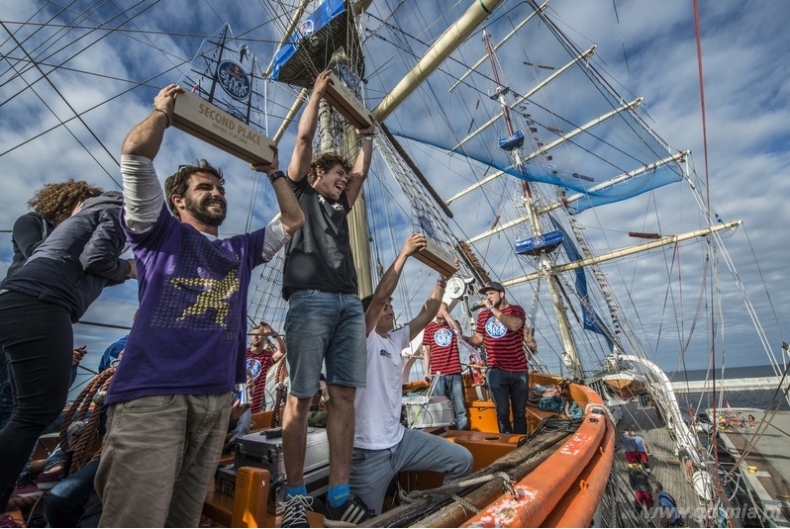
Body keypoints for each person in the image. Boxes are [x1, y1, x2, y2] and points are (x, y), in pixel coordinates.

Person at [94, 83, 304, 528]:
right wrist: (163, 113)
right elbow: (135, 153)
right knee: (136, 518)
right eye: (204, 187)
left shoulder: (240, 250)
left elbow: (292, 219)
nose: (216, 193)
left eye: (220, 188)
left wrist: (273, 171)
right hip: (154, 396)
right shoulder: (157, 232)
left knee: (185, 518)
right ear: (178, 200)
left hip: (216, 399)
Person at [278, 70, 375, 527]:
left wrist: (367, 139)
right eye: (337, 174)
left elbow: (360, 174)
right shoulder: (299, 191)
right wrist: (316, 93)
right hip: (310, 299)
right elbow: (302, 141)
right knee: (300, 397)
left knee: (344, 396)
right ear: (318, 174)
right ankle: (295, 497)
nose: (343, 181)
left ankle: (338, 493)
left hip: (348, 303)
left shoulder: (340, 204)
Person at [0, 190, 133, 518]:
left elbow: (91, 269)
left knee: (23, 410)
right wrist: (129, 268)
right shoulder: (115, 212)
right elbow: (95, 260)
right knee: (33, 412)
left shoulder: (79, 229)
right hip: (43, 302)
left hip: (25, 303)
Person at [350, 233, 473, 516]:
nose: (390, 310)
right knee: (366, 521)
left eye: (391, 307)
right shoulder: (363, 338)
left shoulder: (395, 339)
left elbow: (426, 314)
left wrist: (442, 279)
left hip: (401, 441)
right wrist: (404, 254)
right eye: (385, 308)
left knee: (462, 461)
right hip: (368, 453)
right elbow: (380, 296)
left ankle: (432, 517)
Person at [0, 179, 102, 431]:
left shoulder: (84, 246)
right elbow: (39, 253)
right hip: (18, 305)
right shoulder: (32, 222)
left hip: (51, 315)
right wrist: (77, 226)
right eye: (87, 206)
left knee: (29, 404)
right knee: (9, 399)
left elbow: (95, 270)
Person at [468, 281, 527, 434]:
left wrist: (492, 309)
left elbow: (514, 325)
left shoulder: (516, 310)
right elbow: (478, 338)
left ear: (501, 294)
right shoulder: (483, 316)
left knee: (519, 412)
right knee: (502, 412)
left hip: (518, 369)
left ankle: (521, 440)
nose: (488, 297)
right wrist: (463, 338)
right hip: (496, 369)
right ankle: (507, 439)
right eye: (486, 294)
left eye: (491, 293)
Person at [422, 305, 468, 430]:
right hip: (438, 374)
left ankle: (463, 433)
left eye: (443, 317)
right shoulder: (429, 328)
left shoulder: (453, 324)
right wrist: (426, 372)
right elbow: (427, 351)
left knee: (460, 407)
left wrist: (447, 315)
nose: (442, 320)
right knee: (440, 408)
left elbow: (459, 332)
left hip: (454, 371)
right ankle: (445, 434)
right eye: (440, 318)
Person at [247, 321, 285, 413]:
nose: (256, 336)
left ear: (266, 338)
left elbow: (282, 351)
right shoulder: (242, 353)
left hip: (255, 406)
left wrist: (273, 333)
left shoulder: (267, 356)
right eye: (253, 334)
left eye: (259, 334)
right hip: (238, 402)